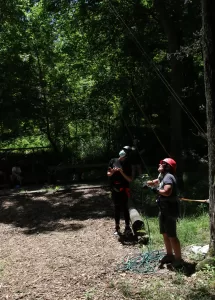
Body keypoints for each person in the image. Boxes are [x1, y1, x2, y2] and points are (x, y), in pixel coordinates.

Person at [146, 158, 182, 268]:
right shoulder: (163, 176)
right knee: (165, 233)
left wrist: (156, 190)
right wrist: (147, 184)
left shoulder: (168, 177)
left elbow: (167, 191)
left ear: (167, 167)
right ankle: (169, 255)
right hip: (163, 209)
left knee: (172, 235)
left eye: (162, 164)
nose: (159, 164)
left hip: (170, 210)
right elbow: (156, 182)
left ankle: (178, 260)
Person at [107, 149, 132, 235]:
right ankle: (117, 227)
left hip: (124, 188)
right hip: (115, 188)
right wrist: (113, 172)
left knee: (125, 207)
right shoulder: (113, 161)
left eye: (124, 157)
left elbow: (129, 179)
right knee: (116, 207)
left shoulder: (127, 164)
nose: (122, 158)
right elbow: (108, 173)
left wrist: (122, 172)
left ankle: (127, 227)